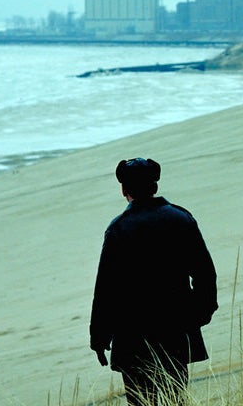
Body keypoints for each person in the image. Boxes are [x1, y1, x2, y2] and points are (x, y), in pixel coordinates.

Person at [90, 157, 218, 406]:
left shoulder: (118, 229)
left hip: (132, 336)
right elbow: (205, 274)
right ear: (155, 186)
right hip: (175, 329)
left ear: (124, 190)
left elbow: (106, 291)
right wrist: (200, 313)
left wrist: (99, 337)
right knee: (176, 398)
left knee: (142, 402)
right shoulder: (181, 219)